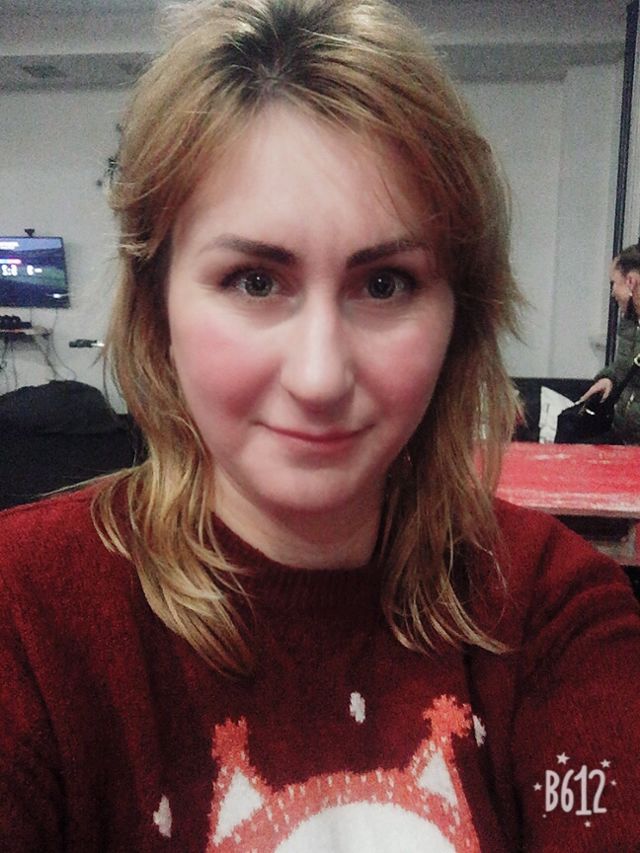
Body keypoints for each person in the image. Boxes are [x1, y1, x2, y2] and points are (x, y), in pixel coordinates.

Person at [1, 1, 639, 850]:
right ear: (157, 308)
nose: (318, 376)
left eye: (385, 284)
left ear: (460, 318)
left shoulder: (552, 609)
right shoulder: (24, 618)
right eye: (255, 280)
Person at [578, 243, 640, 443]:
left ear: (631, 282)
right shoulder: (630, 322)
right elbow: (626, 367)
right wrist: (609, 378)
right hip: (625, 438)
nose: (613, 292)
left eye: (614, 283)